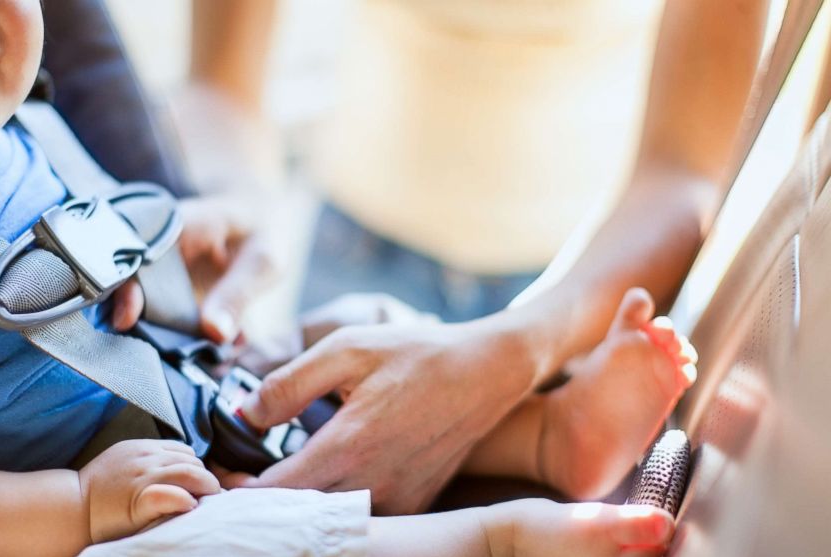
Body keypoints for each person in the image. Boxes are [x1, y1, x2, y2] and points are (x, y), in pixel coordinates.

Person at [0, 0, 683, 556]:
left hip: (194, 389)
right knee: (230, 544)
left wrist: (172, 237)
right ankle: (497, 541)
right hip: (102, 513)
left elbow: (105, 232)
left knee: (351, 328)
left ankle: (544, 434)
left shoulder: (33, 126)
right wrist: (80, 504)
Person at [192, 0, 770, 513]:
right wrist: (231, 204)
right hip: (356, 259)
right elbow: (220, 88)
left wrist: (518, 346)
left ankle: (555, 431)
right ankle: (553, 434)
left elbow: (685, 174)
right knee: (302, 437)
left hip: (587, 295)